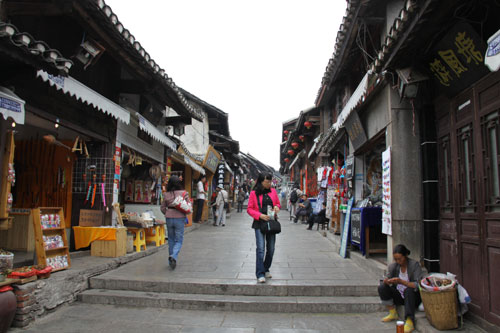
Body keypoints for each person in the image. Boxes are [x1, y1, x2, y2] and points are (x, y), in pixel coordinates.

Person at [378, 244, 423, 333]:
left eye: (400, 259)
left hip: (412, 297)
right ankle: (392, 312)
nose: (398, 261)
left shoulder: (414, 265)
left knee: (408, 290)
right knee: (382, 287)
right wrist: (387, 281)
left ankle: (410, 321)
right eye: (396, 259)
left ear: (405, 256)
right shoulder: (393, 266)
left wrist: (402, 282)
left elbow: (419, 284)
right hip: (399, 295)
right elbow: (385, 278)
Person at [247, 173, 281, 283]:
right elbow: (249, 209)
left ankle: (266, 268)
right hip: (259, 223)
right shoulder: (253, 193)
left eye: (270, 182)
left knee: (271, 249)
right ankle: (260, 273)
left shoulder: (273, 192)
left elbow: (278, 204)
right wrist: (260, 215)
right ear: (261, 182)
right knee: (260, 249)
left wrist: (276, 207)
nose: (270, 184)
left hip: (271, 222)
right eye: (267, 182)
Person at [160, 175, 191, 270]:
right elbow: (188, 206)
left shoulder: (166, 194)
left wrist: (168, 213)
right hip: (180, 218)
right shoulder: (184, 193)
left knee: (171, 239)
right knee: (179, 240)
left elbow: (162, 208)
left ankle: (171, 261)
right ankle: (173, 256)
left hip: (169, 218)